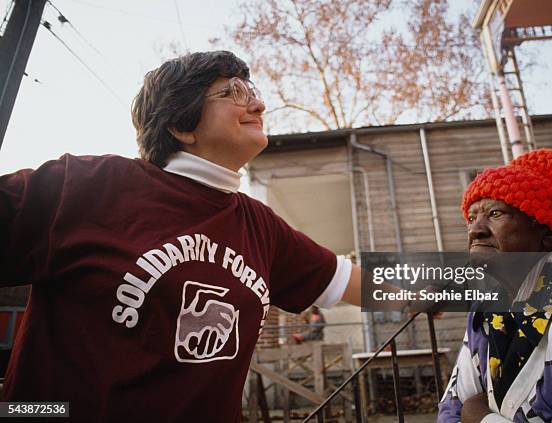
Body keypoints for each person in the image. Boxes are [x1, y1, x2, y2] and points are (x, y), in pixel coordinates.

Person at [0, 51, 362, 422]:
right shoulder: (85, 188)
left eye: (251, 90)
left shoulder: (259, 225)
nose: (259, 103)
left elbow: (354, 281)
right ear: (181, 125)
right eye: (234, 92)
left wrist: (426, 288)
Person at [438, 149, 552, 422]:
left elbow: (466, 410)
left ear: (545, 232)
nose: (475, 231)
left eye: (495, 213)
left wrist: (479, 416)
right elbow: (452, 407)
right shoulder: (485, 310)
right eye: (472, 218)